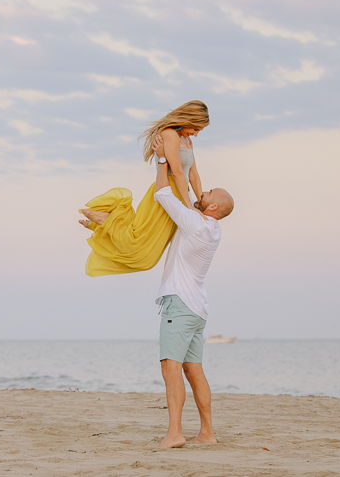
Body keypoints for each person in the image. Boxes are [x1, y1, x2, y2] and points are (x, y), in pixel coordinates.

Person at [150, 134, 234, 449]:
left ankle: (174, 433)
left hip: (181, 306)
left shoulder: (196, 224)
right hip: (197, 310)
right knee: (194, 371)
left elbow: (163, 193)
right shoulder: (212, 228)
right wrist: (187, 162)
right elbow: (189, 199)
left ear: (212, 206)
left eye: (208, 192)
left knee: (170, 368)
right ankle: (208, 433)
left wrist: (162, 159)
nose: (203, 191)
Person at [78, 100, 208, 276]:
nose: (196, 134)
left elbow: (193, 175)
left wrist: (201, 204)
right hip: (167, 192)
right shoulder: (169, 134)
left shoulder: (187, 141)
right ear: (189, 120)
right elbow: (176, 172)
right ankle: (105, 220)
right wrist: (189, 206)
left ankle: (103, 223)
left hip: (181, 195)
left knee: (149, 257)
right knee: (140, 247)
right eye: (196, 129)